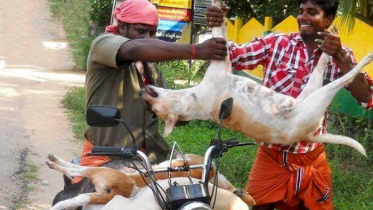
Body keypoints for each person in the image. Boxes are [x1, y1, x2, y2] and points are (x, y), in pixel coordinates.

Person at [206, 0, 373, 209]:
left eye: (312, 12)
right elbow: (233, 56)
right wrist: (218, 25)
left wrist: (340, 56)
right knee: (255, 206)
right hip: (270, 156)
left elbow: (366, 98)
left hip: (311, 159)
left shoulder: (342, 55)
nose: (303, 17)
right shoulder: (276, 44)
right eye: (301, 12)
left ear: (328, 20)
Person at [71, 0, 227, 184]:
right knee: (82, 201)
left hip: (149, 162)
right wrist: (196, 50)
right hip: (106, 157)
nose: (148, 37)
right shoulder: (103, 43)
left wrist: (211, 102)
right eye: (141, 30)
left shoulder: (150, 67)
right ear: (122, 27)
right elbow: (134, 48)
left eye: (153, 32)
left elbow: (174, 110)